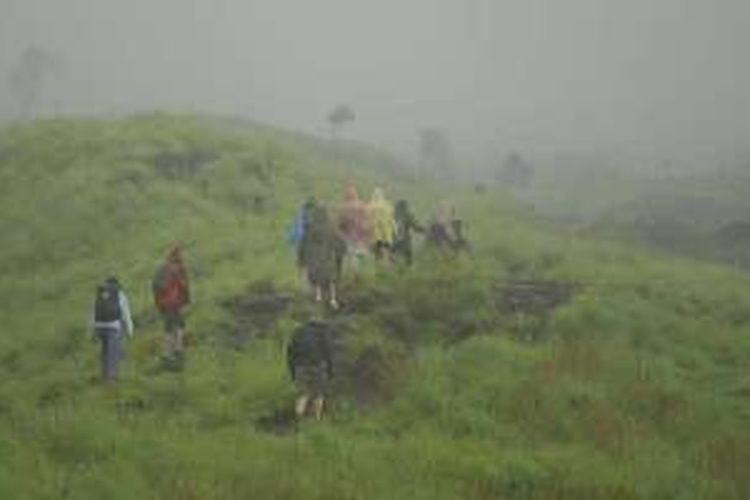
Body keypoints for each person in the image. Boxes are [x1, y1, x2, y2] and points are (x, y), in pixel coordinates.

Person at [298, 203, 346, 309]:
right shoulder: (331, 229)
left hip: (314, 264)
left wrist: (301, 261)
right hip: (328, 262)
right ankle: (333, 300)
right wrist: (340, 256)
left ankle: (318, 299)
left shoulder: (309, 230)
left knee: (317, 281)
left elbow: (302, 247)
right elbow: (340, 244)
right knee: (331, 282)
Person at [287, 320, 335, 421]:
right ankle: (317, 419)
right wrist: (330, 370)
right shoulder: (322, 332)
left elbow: (290, 353)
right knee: (318, 394)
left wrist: (292, 372)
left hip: (300, 366)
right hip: (317, 366)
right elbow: (328, 351)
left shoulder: (298, 332)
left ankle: (298, 418)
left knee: (303, 394)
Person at [152, 244, 191, 367]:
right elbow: (184, 287)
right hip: (176, 302)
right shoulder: (179, 269)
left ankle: (169, 352)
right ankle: (174, 351)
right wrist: (187, 301)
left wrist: (158, 303)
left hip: (164, 303)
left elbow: (155, 286)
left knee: (169, 327)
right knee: (178, 326)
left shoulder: (162, 269)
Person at [91, 276, 134, 382]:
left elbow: (92, 312)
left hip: (100, 327)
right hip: (113, 326)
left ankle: (104, 375)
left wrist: (92, 330)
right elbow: (126, 314)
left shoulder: (99, 294)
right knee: (113, 353)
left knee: (105, 352)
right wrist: (130, 330)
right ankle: (112, 379)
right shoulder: (120, 295)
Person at [337, 183, 370, 267]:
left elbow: (340, 224)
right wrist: (366, 235)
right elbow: (366, 222)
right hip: (359, 236)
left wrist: (341, 234)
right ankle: (356, 275)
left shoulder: (342, 207)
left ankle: (349, 276)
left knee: (348, 257)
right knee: (357, 258)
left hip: (347, 236)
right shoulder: (362, 205)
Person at [289, 197, 316, 284]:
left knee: (302, 264)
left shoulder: (299, 216)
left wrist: (291, 240)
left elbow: (294, 230)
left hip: (301, 243)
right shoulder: (314, 217)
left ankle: (303, 281)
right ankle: (308, 281)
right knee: (309, 263)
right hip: (307, 244)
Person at [368, 187, 397, 262]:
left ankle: (378, 269)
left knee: (377, 257)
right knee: (387, 255)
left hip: (375, 237)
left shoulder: (370, 206)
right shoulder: (387, 205)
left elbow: (367, 222)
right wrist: (395, 231)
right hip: (387, 236)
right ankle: (387, 269)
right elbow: (392, 220)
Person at [392, 199, 424, 265]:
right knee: (408, 261)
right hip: (405, 241)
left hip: (394, 241)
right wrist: (424, 230)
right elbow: (416, 227)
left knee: (393, 260)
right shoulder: (407, 215)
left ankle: (392, 272)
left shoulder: (392, 215)